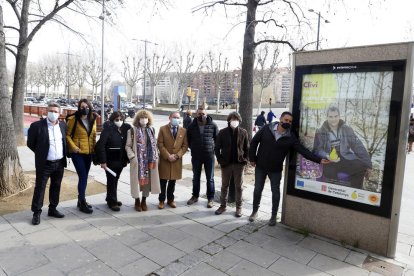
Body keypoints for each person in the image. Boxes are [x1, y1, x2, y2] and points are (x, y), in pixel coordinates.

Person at [249, 111, 330, 226]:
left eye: (290, 121)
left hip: (275, 169)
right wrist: (252, 158)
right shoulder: (267, 128)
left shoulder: (290, 137)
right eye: (286, 120)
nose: (288, 122)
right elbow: (254, 142)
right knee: (257, 190)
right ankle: (254, 211)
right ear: (280, 119)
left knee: (275, 192)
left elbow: (303, 151)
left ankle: (273, 216)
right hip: (261, 167)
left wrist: (319, 160)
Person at [313, 106, 372, 189]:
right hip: (329, 159)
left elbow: (358, 146)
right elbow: (317, 149)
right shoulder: (320, 131)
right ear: (327, 117)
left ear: (339, 116)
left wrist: (368, 164)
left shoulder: (347, 129)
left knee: (361, 167)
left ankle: (354, 192)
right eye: (330, 117)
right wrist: (327, 156)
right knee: (330, 174)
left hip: (344, 157)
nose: (333, 119)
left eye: (336, 116)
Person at [27, 102, 67, 225]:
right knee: (40, 188)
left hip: (59, 163)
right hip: (44, 164)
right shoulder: (36, 126)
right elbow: (30, 143)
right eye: (51, 111)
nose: (53, 113)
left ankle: (53, 209)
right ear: (46, 112)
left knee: (56, 186)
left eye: (55, 111)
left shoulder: (63, 126)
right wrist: (41, 153)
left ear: (60, 113)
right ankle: (36, 213)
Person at [214, 112, 249, 217]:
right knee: (225, 186)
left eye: (236, 119)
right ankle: (222, 205)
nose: (234, 121)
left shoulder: (243, 132)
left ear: (239, 121)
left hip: (239, 164)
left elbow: (247, 148)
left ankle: (239, 207)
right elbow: (217, 148)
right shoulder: (222, 132)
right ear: (229, 120)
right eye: (232, 119)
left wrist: (245, 160)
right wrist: (220, 160)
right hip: (226, 164)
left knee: (239, 186)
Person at [95, 111, 131, 211]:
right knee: (111, 180)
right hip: (110, 160)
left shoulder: (125, 128)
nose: (119, 121)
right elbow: (101, 145)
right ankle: (112, 202)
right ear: (112, 120)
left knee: (115, 179)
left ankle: (110, 197)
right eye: (117, 120)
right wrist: (103, 161)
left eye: (121, 119)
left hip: (121, 160)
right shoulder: (108, 129)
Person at [125, 110, 161, 211]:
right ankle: (137, 200)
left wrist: (156, 154)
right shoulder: (132, 131)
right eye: (141, 118)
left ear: (149, 119)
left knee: (147, 181)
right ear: (138, 119)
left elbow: (155, 144)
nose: (144, 120)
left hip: (149, 161)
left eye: (146, 118)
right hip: (138, 161)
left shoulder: (152, 130)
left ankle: (144, 200)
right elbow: (128, 146)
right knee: (136, 181)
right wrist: (133, 157)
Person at [66, 99, 97, 214]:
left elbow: (93, 137)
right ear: (79, 108)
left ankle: (80, 200)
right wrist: (73, 147)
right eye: (82, 107)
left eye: (87, 106)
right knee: (83, 176)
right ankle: (82, 201)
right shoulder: (73, 120)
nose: (85, 109)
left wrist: (94, 151)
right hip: (77, 153)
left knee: (84, 177)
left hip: (88, 153)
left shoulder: (92, 119)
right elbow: (67, 135)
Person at [186, 106, 219, 208]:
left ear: (206, 114)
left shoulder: (213, 125)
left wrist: (213, 150)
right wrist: (193, 148)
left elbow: (217, 139)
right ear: (196, 114)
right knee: (196, 177)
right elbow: (188, 140)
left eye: (203, 114)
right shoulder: (192, 125)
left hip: (209, 156)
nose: (201, 116)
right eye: (199, 114)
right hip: (196, 156)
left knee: (210, 178)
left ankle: (210, 198)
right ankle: (195, 196)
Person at [157, 111, 189, 209]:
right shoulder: (163, 129)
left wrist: (177, 156)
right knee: (163, 181)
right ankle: (161, 200)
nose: (176, 119)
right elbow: (160, 144)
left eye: (178, 117)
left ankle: (170, 200)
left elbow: (185, 146)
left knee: (172, 182)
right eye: (174, 117)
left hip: (176, 161)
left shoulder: (183, 131)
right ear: (170, 118)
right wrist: (168, 155)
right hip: (165, 160)